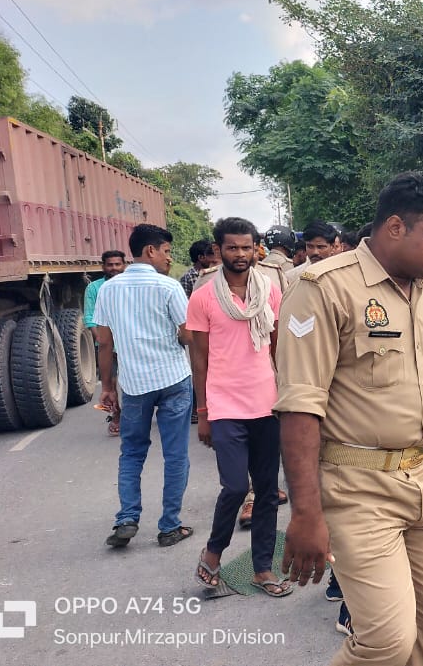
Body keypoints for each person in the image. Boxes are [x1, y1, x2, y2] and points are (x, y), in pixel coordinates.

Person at [275, 172, 423, 666]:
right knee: (385, 642)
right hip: (359, 488)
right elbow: (300, 405)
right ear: (396, 228)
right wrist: (305, 512)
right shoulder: (324, 289)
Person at [189, 217, 292, 597]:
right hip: (224, 405)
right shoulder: (203, 297)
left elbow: (279, 349)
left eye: (246, 247)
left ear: (256, 249)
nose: (240, 254)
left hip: (267, 404)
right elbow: (198, 360)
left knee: (267, 490)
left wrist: (288, 397)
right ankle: (213, 551)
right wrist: (203, 414)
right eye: (232, 247)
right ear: (219, 250)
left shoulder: (270, 291)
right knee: (234, 486)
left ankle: (262, 569)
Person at [94, 224, 193, 549]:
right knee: (175, 454)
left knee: (132, 452)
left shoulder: (109, 289)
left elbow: (104, 344)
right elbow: (187, 334)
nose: (169, 258)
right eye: (166, 251)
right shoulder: (168, 287)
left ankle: (126, 518)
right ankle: (169, 526)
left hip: (134, 385)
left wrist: (107, 386)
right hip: (173, 380)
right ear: (150, 251)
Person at [85, 250, 126, 435]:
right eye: (110, 265)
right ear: (103, 266)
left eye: (118, 264)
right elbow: (90, 318)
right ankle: (116, 416)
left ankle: (135, 416)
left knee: (131, 384)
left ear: (124, 265)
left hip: (129, 344)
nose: (114, 268)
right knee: (111, 382)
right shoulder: (94, 288)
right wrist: (102, 342)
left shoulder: (130, 286)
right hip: (107, 346)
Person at [285, 221, 340, 285]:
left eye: (321, 247)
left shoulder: (341, 275)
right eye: (310, 246)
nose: (315, 252)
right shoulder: (291, 277)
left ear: (332, 247)